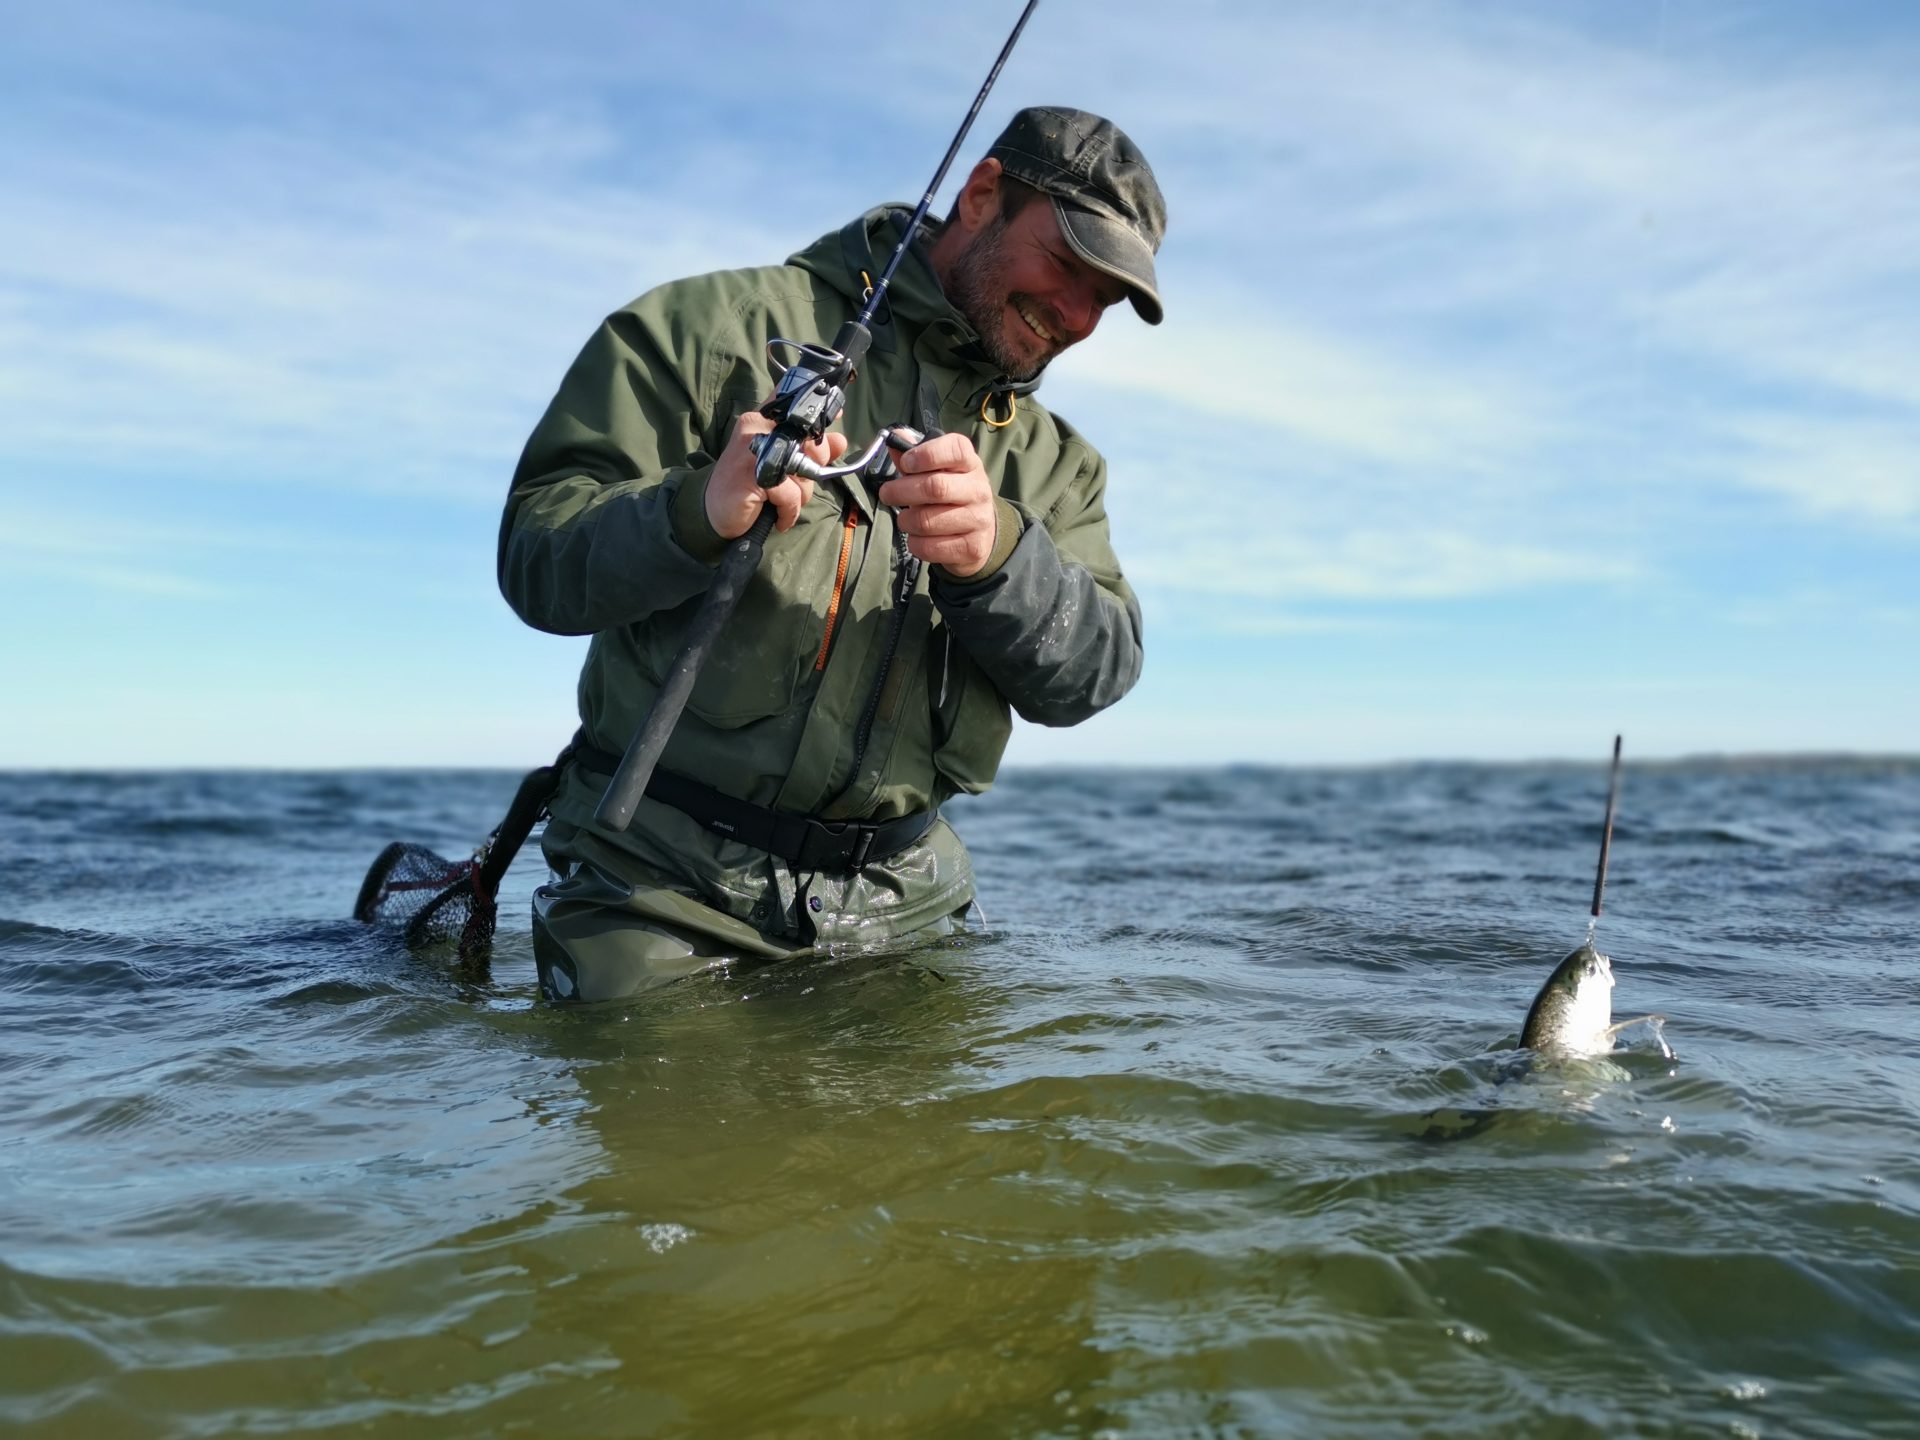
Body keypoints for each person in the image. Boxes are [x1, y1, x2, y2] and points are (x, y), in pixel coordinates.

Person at [498, 106, 1167, 1002]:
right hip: (657, 890)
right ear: (981, 195)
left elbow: (1097, 671)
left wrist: (1001, 558)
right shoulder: (708, 329)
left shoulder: (1058, 464)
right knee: (672, 1131)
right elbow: (536, 556)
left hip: (907, 912)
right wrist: (697, 509)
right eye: (1068, 262)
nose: (1079, 314)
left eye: (1108, 297)